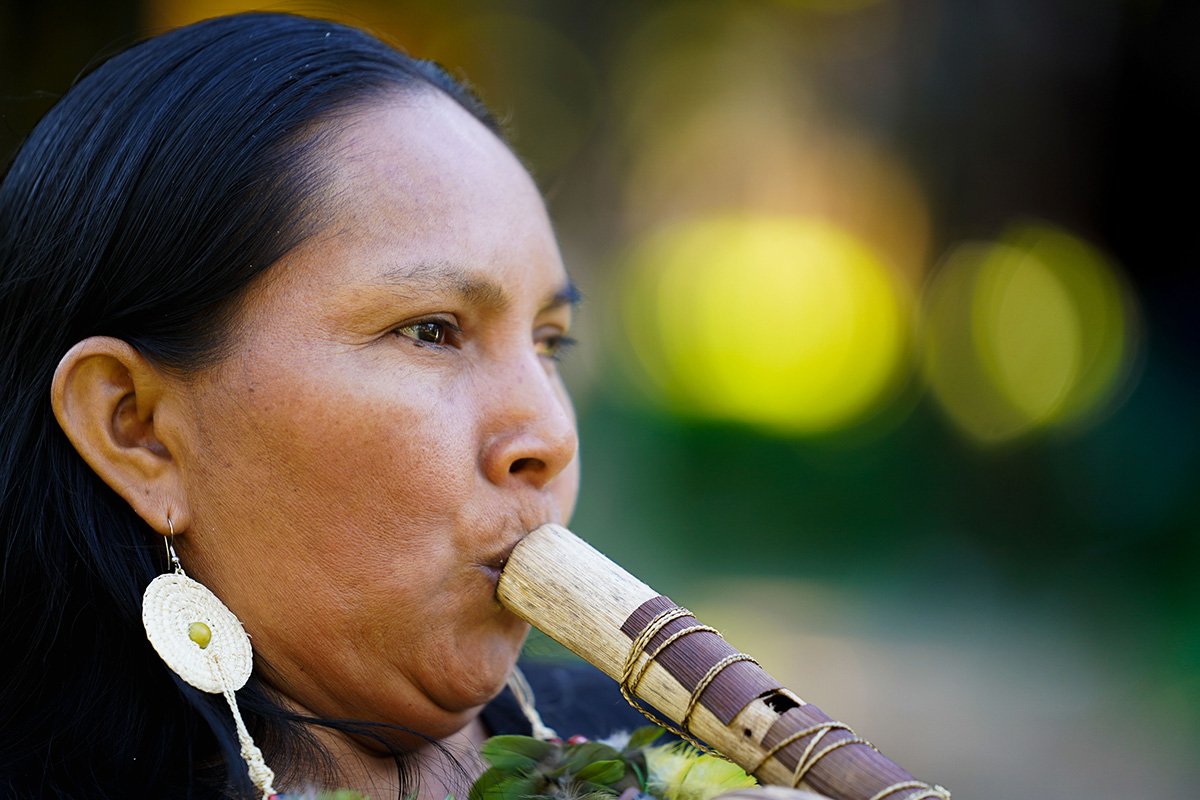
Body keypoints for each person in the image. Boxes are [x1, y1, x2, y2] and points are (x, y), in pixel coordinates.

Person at [0, 12, 646, 799]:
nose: (550, 435)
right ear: (138, 430)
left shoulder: (635, 739)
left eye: (549, 342)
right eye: (431, 331)